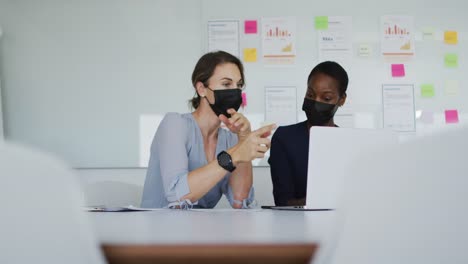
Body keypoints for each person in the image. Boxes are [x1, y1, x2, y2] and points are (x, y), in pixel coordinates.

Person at [141, 51, 275, 209]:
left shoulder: (230, 139)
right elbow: (177, 195)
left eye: (238, 85)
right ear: (201, 89)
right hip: (160, 230)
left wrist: (243, 139)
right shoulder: (175, 124)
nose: (235, 91)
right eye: (226, 84)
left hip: (201, 231)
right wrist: (234, 155)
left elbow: (240, 200)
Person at [268, 61, 348, 206]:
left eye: (326, 98)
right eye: (310, 95)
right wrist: (328, 201)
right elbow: (283, 202)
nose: (316, 102)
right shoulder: (284, 138)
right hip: (298, 225)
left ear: (342, 100)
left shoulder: (349, 142)